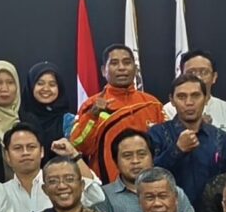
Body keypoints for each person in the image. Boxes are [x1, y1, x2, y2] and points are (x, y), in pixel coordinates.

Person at [69, 45, 167, 184]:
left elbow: (164, 147)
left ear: (135, 69)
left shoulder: (152, 104)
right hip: (108, 186)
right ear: (103, 70)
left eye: (126, 62)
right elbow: (78, 145)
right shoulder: (91, 105)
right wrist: (92, 115)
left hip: (148, 185)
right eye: (114, 63)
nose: (121, 68)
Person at [148, 73, 226, 212]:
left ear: (205, 99)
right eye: (181, 97)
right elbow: (148, 176)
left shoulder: (221, 138)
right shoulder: (157, 134)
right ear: (172, 100)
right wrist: (177, 150)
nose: (189, 102)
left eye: (195, 96)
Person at [102, 131, 192, 212]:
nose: (135, 161)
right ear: (116, 162)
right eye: (127, 156)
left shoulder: (175, 192)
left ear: (153, 158)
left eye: (141, 154)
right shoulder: (103, 196)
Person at [11, 62, 72, 160]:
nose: (46, 89)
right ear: (31, 86)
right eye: (40, 83)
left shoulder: (69, 121)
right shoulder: (17, 117)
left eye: (52, 84)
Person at [178, 53, 226, 136]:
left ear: (214, 77)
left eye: (204, 72)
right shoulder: (169, 110)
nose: (198, 77)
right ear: (181, 76)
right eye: (191, 72)